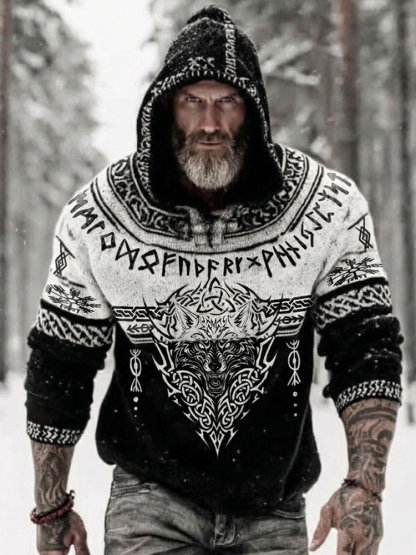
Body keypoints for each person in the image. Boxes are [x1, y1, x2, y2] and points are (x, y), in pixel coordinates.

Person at [25, 6, 403, 555]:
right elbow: (60, 365)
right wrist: (51, 505)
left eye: (228, 101)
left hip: (272, 504)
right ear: (165, 108)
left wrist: (365, 488)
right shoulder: (98, 216)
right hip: (150, 500)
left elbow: (366, 348)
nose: (209, 123)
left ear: (254, 111)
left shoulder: (328, 207)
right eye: (192, 101)